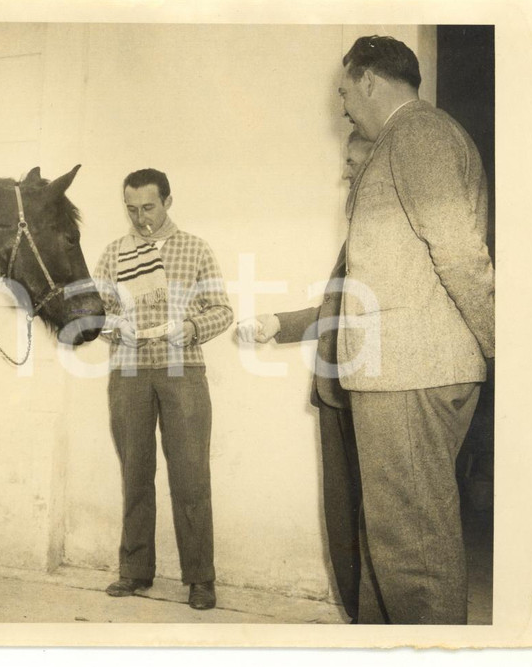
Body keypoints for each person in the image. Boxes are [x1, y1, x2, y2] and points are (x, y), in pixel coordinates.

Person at [330, 35, 495, 624]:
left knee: (414, 549)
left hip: (413, 368)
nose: (343, 104)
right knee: (391, 539)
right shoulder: (401, 139)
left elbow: (458, 251)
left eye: (346, 90)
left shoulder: (420, 134)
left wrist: (499, 344)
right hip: (397, 369)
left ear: (370, 80)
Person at [235, 131, 373, 623]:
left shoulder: (386, 229)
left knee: (373, 524)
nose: (346, 172)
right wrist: (280, 324)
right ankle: (362, 623)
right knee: (343, 519)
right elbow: (337, 308)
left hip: (371, 396)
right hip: (337, 394)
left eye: (354, 163)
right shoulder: (361, 230)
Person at [93, 168, 233, 611]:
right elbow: (92, 312)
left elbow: (222, 310)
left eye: (148, 207)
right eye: (131, 209)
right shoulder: (114, 252)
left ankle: (200, 579)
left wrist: (189, 327)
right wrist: (116, 328)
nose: (140, 217)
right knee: (136, 475)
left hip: (183, 371)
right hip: (129, 374)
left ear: (168, 201)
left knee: (191, 478)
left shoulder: (196, 249)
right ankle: (135, 572)